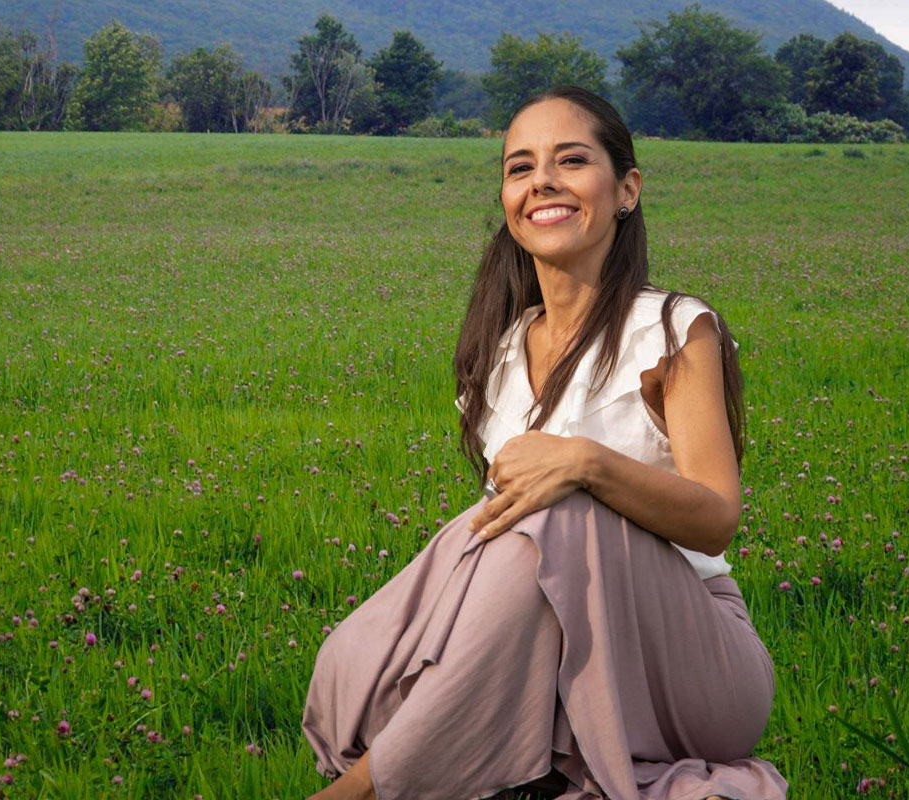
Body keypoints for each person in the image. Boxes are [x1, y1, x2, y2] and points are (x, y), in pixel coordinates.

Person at [299, 85, 787, 800]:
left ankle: (364, 791)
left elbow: (716, 518)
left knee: (556, 515)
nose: (542, 183)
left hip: (689, 658)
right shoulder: (498, 351)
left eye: (571, 160)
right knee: (420, 603)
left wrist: (586, 464)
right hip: (563, 650)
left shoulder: (676, 329)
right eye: (520, 167)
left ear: (626, 190)